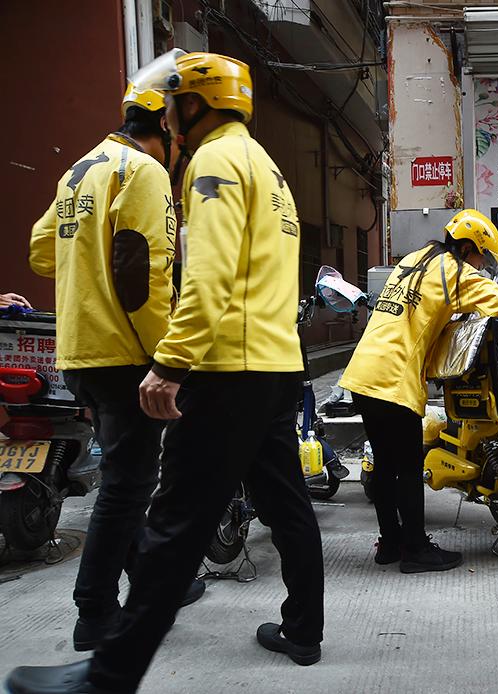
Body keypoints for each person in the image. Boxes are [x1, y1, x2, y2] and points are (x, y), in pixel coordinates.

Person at [7, 50, 324, 694]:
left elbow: (207, 278)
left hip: (228, 370)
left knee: (172, 524)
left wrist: (171, 362)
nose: (171, 119)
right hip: (276, 364)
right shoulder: (266, 166)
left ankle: (106, 677)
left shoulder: (211, 163)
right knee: (286, 504)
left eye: (176, 104)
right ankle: (302, 628)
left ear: (195, 104)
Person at [26, 83, 205, 655]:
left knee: (127, 479)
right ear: (166, 131)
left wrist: (86, 262)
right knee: (127, 488)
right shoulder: (143, 172)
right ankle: (96, 610)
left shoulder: (79, 170)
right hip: (125, 353)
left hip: (79, 352)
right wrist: (167, 358)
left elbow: (41, 251)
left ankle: (154, 582)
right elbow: (140, 274)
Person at [342, 209, 498, 573]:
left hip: (362, 371)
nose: (482, 267)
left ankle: (390, 544)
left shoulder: (414, 259)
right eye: (482, 258)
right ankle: (416, 549)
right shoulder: (455, 271)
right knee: (407, 466)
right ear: (467, 248)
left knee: (385, 465)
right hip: (393, 378)